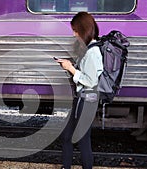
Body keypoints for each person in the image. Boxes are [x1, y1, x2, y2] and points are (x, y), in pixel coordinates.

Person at [55, 12, 103, 169]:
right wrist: (71, 66)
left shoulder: (93, 52)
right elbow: (86, 73)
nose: (74, 34)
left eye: (76, 30)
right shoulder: (88, 49)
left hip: (88, 99)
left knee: (82, 139)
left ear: (84, 29)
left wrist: (71, 69)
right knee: (67, 136)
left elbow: (90, 81)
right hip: (81, 98)